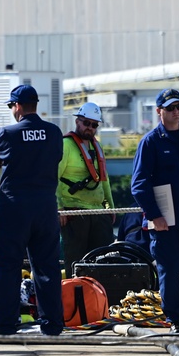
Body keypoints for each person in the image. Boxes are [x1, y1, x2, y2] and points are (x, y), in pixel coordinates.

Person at [0, 84, 65, 336]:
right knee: (47, 268)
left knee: (7, 267)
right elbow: (55, 158)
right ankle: (53, 325)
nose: (12, 110)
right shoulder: (54, 133)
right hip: (45, 207)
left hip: (14, 207)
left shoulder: (7, 134)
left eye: (12, 106)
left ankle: (4, 325)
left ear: (18, 106)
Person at [130, 88, 179, 333]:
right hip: (165, 223)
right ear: (159, 111)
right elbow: (139, 184)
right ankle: (175, 320)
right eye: (170, 108)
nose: (175, 112)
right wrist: (154, 215)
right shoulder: (150, 142)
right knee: (170, 273)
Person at [57, 101, 115, 277]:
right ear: (77, 121)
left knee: (103, 263)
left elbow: (104, 181)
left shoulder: (97, 147)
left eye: (94, 125)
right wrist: (58, 208)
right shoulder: (65, 145)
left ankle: (100, 301)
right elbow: (52, 177)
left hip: (98, 214)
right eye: (86, 123)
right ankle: (74, 300)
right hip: (74, 214)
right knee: (75, 264)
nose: (90, 128)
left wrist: (111, 208)